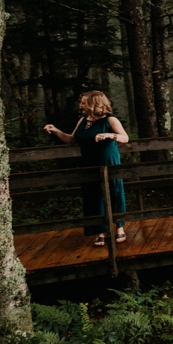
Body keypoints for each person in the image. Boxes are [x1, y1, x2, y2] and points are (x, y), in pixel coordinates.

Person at [44, 90, 129, 247]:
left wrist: (110, 135)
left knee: (114, 192)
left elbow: (125, 137)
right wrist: (56, 130)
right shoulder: (83, 120)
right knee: (92, 195)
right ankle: (100, 232)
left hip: (107, 160)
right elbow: (71, 139)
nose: (81, 105)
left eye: (83, 102)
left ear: (94, 103)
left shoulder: (110, 120)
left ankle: (119, 228)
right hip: (88, 161)